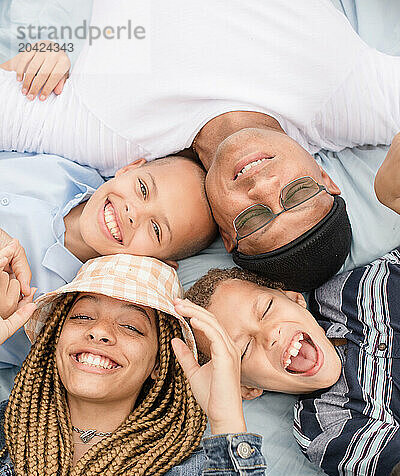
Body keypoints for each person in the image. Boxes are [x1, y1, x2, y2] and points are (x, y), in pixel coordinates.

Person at [2, 0, 400, 289]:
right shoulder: (350, 99)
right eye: (296, 194)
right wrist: (388, 190)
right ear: (327, 180)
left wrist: (46, 48)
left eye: (253, 218)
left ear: (227, 236)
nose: (261, 187)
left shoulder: (109, 138)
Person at [0, 249, 276, 476]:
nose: (100, 332)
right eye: (83, 316)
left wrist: (226, 423)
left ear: (159, 363)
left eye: (131, 326)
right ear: (55, 336)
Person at [184, 178, 400, 476]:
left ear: (296, 298)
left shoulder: (354, 292)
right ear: (245, 389)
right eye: (242, 350)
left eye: (266, 310)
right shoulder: (324, 429)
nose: (268, 336)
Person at [0, 148, 216, 369]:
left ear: (158, 263)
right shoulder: (65, 163)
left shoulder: (54, 317)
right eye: (143, 189)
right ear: (129, 169)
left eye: (156, 229)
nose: (134, 213)